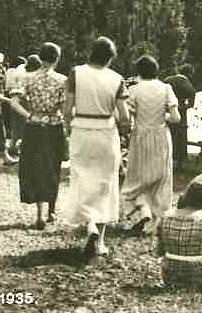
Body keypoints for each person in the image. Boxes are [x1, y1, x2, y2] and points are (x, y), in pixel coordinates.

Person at [62, 36, 130, 260]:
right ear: (110, 57)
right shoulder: (117, 78)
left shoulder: (76, 73)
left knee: (83, 179)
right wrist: (125, 134)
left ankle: (89, 222)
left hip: (81, 129)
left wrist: (68, 128)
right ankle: (99, 240)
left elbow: (67, 107)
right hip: (105, 132)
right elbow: (125, 116)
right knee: (105, 184)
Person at [8, 42, 67, 230]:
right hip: (54, 126)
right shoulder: (62, 80)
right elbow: (66, 108)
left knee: (36, 168)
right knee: (52, 167)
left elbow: (13, 103)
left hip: (33, 126)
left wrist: (30, 115)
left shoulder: (27, 78)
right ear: (57, 58)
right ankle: (52, 210)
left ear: (40, 58)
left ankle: (39, 214)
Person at [122, 55, 181, 235]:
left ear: (139, 71)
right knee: (161, 177)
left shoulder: (134, 90)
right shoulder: (166, 88)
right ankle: (157, 220)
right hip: (161, 135)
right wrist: (163, 117)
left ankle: (143, 210)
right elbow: (176, 118)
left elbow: (128, 118)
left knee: (138, 177)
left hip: (140, 135)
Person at [164, 64, 196, 170]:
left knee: (166, 134)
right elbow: (191, 104)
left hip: (166, 111)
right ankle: (180, 163)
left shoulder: (167, 80)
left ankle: (164, 160)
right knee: (181, 136)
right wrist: (182, 108)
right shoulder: (188, 85)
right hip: (181, 113)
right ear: (189, 74)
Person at [3, 55, 28, 159]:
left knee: (15, 123)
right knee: (22, 123)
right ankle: (20, 146)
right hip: (21, 97)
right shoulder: (22, 71)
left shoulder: (9, 72)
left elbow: (7, 86)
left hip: (10, 97)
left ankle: (13, 145)